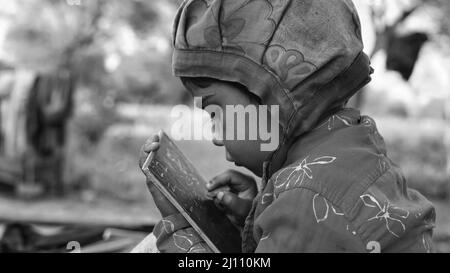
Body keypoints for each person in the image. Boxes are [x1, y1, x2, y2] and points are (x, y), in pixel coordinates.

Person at [134, 0, 435, 253]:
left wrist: (179, 234)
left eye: (214, 111)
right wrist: (260, 217)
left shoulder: (308, 202)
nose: (214, 136)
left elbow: (311, 216)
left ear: (273, 94)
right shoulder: (350, 151)